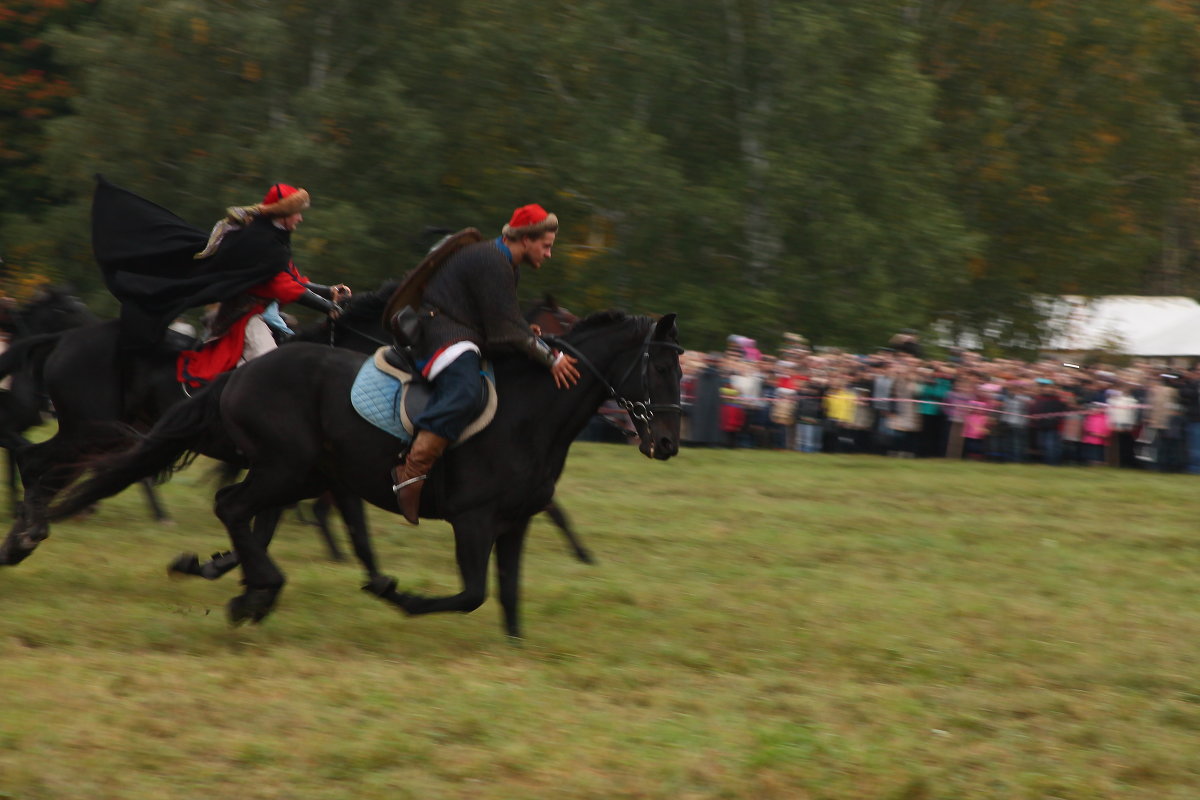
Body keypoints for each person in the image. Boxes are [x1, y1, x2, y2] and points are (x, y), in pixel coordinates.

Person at [387, 204, 581, 524]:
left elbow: (504, 322)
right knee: (465, 392)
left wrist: (523, 331)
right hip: (443, 335)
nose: (549, 254)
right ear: (526, 239)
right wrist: (552, 359)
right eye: (546, 246)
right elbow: (505, 330)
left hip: (465, 334)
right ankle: (411, 471)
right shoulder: (493, 260)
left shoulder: (506, 262)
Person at [177, 184, 351, 386]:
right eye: (297, 214)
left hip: (262, 312)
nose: (300, 218)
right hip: (245, 317)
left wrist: (329, 292)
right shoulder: (262, 239)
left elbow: (293, 278)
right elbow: (283, 287)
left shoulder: (274, 236)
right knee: (270, 366)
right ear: (284, 214)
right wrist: (327, 307)